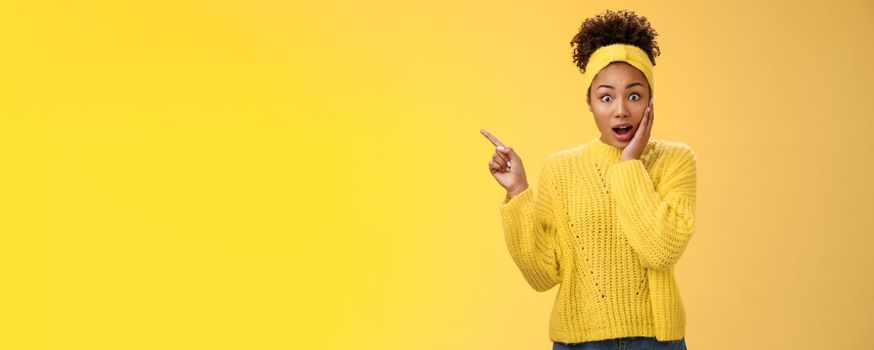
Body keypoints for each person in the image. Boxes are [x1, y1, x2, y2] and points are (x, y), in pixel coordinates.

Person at [480, 9, 696, 350]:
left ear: (650, 101)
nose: (621, 109)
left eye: (635, 95)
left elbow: (661, 250)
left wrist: (629, 165)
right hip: (580, 342)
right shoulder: (560, 169)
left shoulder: (675, 160)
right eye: (606, 97)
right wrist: (519, 191)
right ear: (590, 103)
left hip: (657, 341)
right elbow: (543, 275)